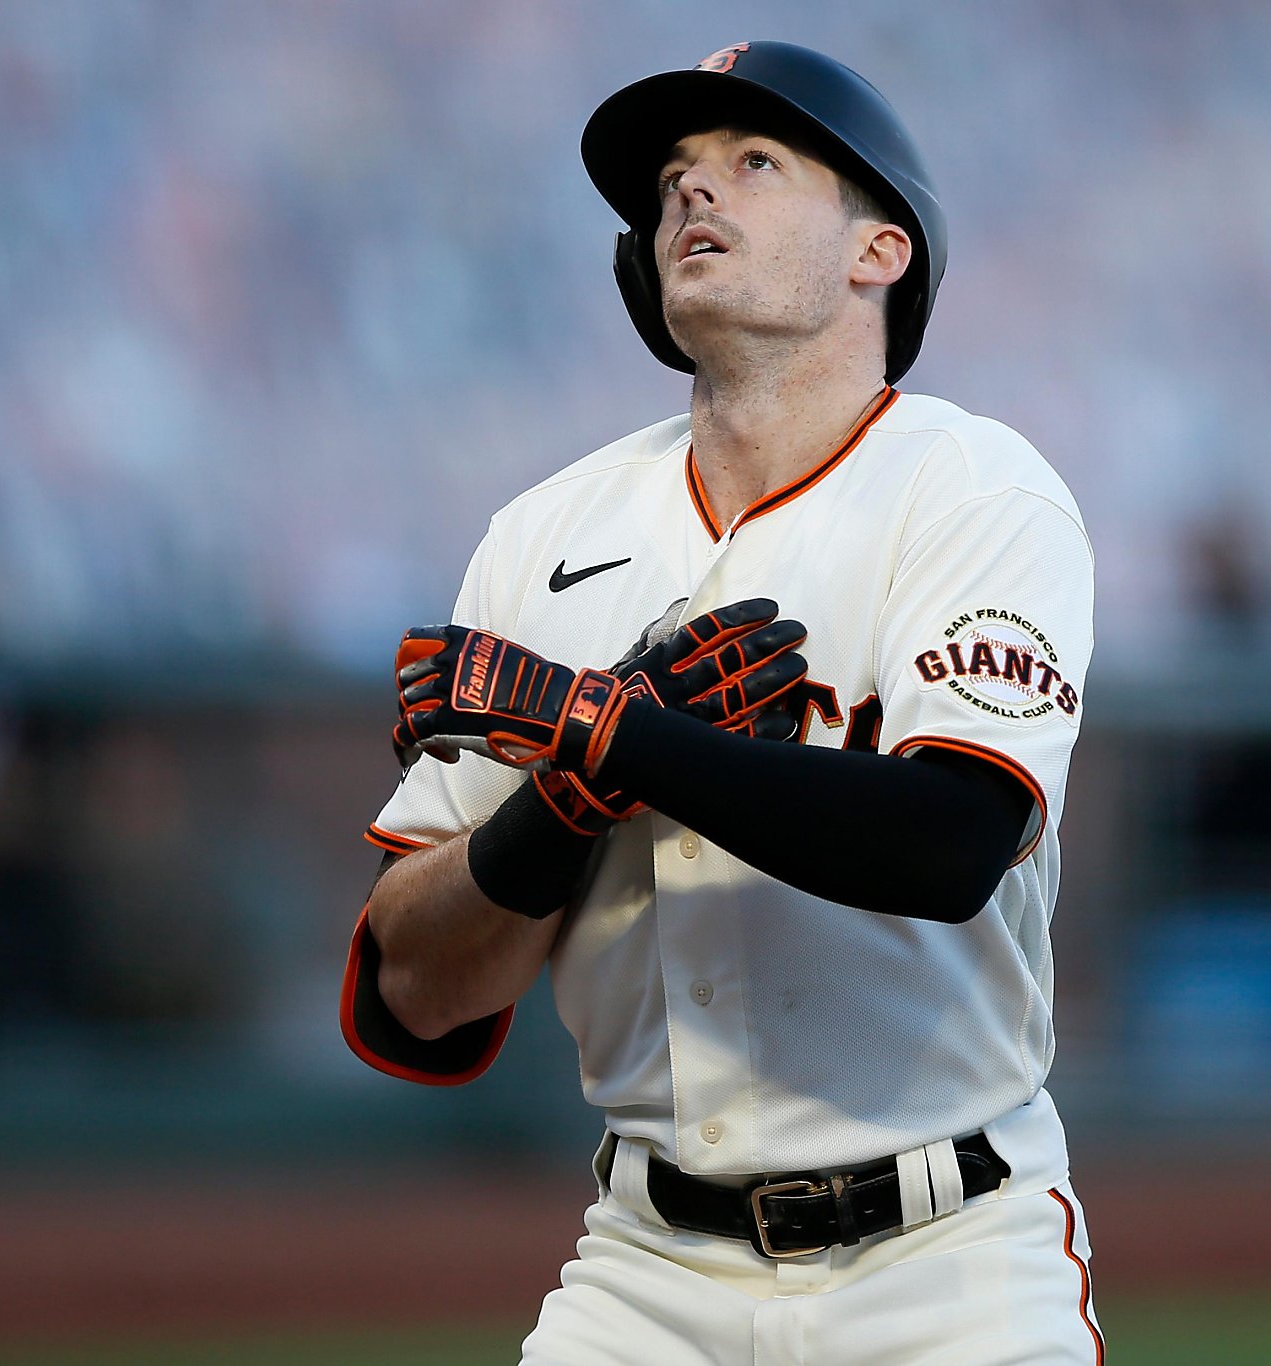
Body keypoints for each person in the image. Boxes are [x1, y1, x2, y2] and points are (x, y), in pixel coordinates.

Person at [341, 41, 1102, 1364]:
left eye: (755, 162)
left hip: (951, 1258)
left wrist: (623, 735)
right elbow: (413, 989)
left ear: (881, 251)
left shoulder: (976, 488)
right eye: (674, 181)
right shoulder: (542, 536)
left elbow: (949, 841)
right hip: (645, 1270)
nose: (695, 194)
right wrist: (565, 800)